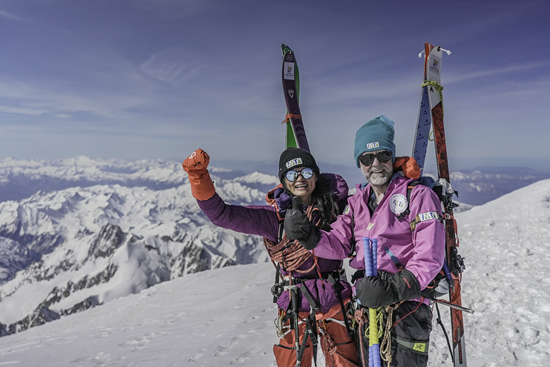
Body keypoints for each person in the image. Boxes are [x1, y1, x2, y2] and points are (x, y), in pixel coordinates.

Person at [284, 115, 445, 367]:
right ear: (360, 163)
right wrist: (310, 236)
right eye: (367, 158)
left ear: (392, 157)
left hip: (406, 308)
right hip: (366, 308)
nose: (376, 164)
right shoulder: (357, 201)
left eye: (382, 155)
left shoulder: (418, 196)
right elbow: (339, 244)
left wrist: (391, 288)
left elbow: (430, 257)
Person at [182, 147, 359, 367]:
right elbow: (222, 215)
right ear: (284, 181)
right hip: (298, 300)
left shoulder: (336, 207)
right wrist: (198, 177)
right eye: (292, 175)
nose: (300, 179)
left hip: (333, 297)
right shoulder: (274, 219)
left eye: (305, 172)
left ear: (316, 175)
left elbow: (373, 208)